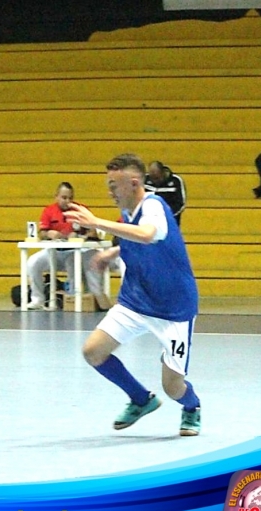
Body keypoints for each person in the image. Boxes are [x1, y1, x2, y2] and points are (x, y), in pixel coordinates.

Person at [64, 153, 201, 436]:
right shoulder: (128, 212)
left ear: (134, 182)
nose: (110, 191)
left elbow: (148, 234)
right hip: (136, 301)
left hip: (173, 309)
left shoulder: (154, 207)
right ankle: (141, 399)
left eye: (114, 185)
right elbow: (137, 238)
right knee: (93, 352)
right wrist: (113, 251)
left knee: (173, 387)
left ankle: (192, 407)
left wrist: (96, 222)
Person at [26, 182, 110, 311]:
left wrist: (80, 235)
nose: (68, 201)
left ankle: (74, 299)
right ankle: (37, 299)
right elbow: (41, 233)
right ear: (56, 197)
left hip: (76, 252)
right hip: (54, 252)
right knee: (33, 262)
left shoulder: (80, 210)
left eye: (70, 198)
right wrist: (49, 233)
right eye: (64, 198)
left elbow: (94, 231)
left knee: (73, 262)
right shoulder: (49, 210)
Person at [144, 161, 186, 226]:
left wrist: (166, 214)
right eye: (152, 178)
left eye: (157, 178)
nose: (155, 181)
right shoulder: (145, 180)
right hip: (149, 222)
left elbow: (181, 204)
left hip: (170, 221)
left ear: (163, 172)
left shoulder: (176, 181)